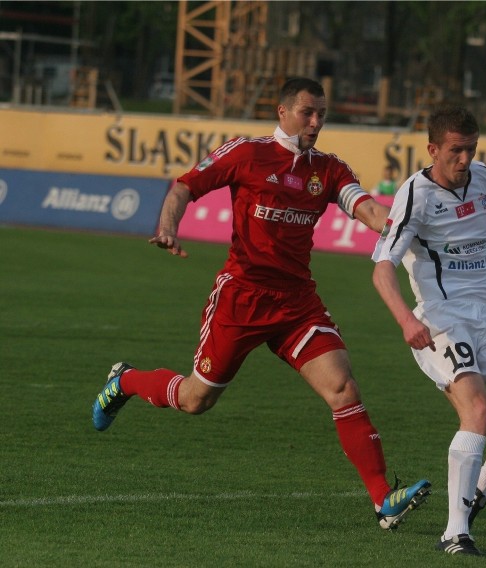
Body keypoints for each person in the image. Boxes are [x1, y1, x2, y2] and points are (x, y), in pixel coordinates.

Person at [91, 77, 430, 530]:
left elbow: (364, 208)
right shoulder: (246, 153)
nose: (316, 121)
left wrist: (399, 229)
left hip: (297, 303)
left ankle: (383, 499)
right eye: (308, 112)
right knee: (196, 401)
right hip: (242, 298)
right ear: (283, 112)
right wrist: (169, 226)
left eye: (322, 114)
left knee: (343, 388)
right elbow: (184, 187)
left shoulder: (328, 169)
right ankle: (126, 381)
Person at [371, 105, 486, 556]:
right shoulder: (414, 195)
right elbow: (382, 268)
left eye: (472, 149)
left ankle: (477, 491)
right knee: (477, 409)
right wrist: (407, 320)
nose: (465, 159)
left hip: (485, 313)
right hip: (441, 317)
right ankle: (456, 532)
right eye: (456, 150)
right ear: (433, 149)